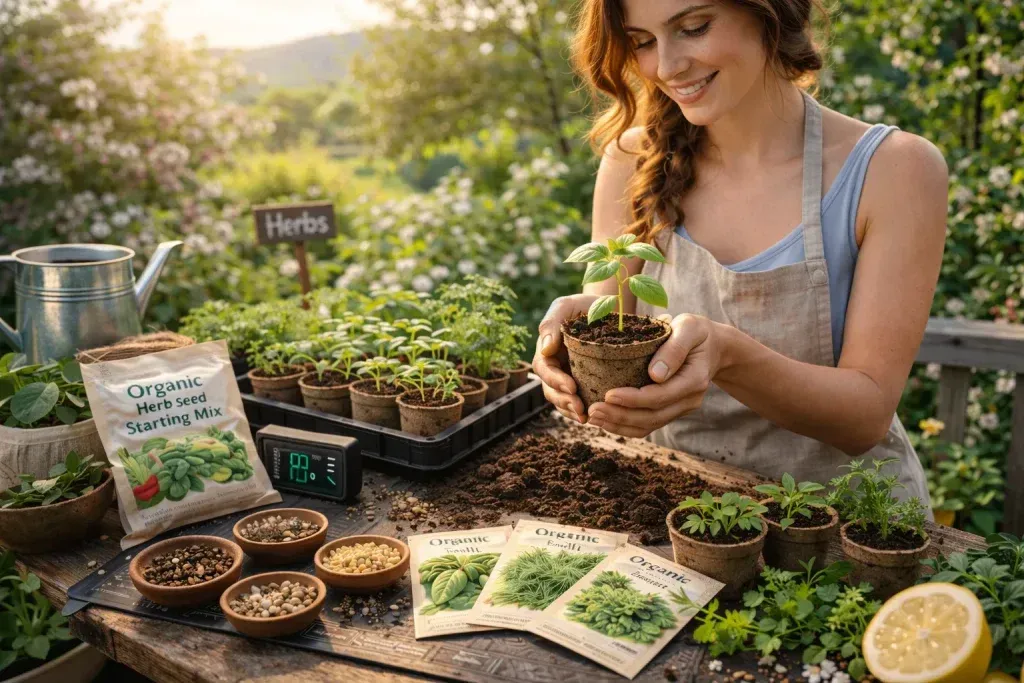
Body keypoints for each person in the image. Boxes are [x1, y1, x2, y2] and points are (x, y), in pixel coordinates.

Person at [534, 0, 949, 504]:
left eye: (694, 28)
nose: (666, 66)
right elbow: (607, 319)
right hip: (675, 509)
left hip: (845, 524)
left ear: (768, 13)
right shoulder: (632, 159)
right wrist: (571, 354)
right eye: (642, 42)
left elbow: (865, 417)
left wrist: (727, 355)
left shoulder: (895, 169)